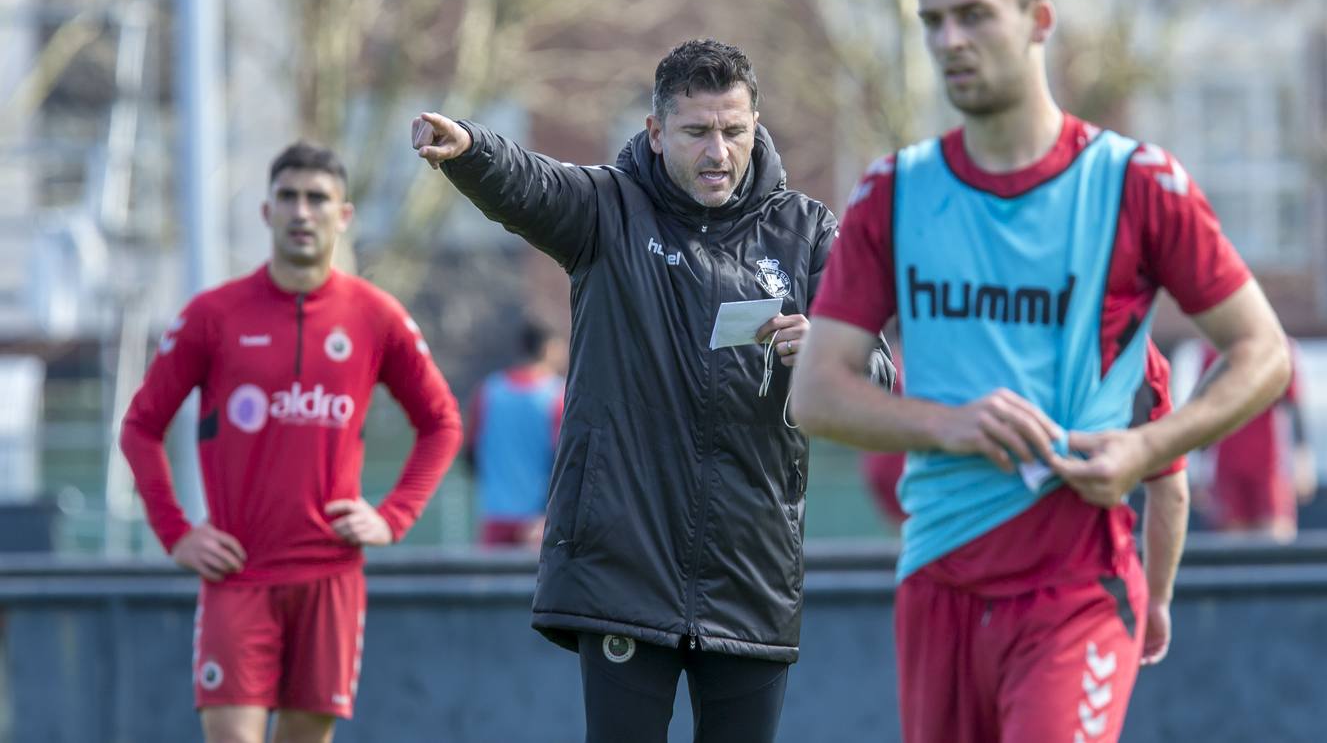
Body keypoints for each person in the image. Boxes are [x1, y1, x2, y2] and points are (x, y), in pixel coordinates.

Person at [791, 0, 1290, 743]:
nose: (951, 39)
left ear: (1039, 21)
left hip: (1080, 583)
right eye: (933, 20)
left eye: (975, 14)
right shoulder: (894, 192)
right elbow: (818, 392)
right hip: (938, 578)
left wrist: (1149, 449)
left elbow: (1263, 353)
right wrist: (949, 424)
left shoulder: (1140, 184)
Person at [410, 38, 894, 743]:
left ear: (756, 126)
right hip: (623, 569)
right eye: (697, 131)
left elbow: (876, 370)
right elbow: (530, 182)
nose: (718, 152)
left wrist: (827, 352)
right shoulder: (607, 211)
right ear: (656, 131)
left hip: (750, 573)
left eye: (735, 131)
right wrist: (471, 149)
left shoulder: (809, 233)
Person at [120, 143, 462, 743]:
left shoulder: (374, 316)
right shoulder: (213, 315)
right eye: (289, 197)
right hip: (239, 573)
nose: (302, 212)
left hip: (330, 575)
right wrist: (177, 533)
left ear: (344, 216)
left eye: (317, 198)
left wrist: (392, 517)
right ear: (266, 212)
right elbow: (140, 427)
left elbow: (442, 422)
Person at [1194, 340, 1313, 541]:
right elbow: (1202, 411)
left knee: (1276, 540)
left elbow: (1294, 407)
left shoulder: (1279, 346)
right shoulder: (1214, 351)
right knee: (1231, 547)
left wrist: (1303, 461)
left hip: (1269, 465)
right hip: (1228, 466)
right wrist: (1198, 470)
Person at [466, 316, 566, 548]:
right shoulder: (557, 396)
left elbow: (471, 455)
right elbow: (565, 462)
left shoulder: (488, 392)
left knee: (492, 584)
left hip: (495, 517)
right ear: (550, 347)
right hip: (541, 523)